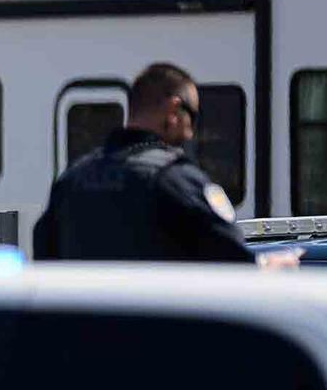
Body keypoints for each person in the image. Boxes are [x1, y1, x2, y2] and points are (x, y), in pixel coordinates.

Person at [33, 61, 289, 265]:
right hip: (159, 330)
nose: (191, 133)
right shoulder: (175, 180)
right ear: (174, 111)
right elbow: (235, 264)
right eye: (193, 117)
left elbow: (44, 260)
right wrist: (272, 268)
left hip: (84, 330)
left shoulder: (71, 181)